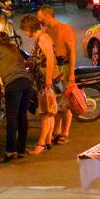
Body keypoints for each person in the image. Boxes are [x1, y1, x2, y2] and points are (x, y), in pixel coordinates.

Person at [0, 31, 34, 160]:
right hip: (26, 81)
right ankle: (21, 150)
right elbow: (26, 61)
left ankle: (10, 150)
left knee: (12, 116)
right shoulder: (14, 47)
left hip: (13, 83)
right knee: (22, 115)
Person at [36, 5, 77, 145]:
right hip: (54, 70)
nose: (39, 21)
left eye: (41, 18)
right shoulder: (47, 30)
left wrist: (71, 74)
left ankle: (65, 132)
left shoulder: (65, 29)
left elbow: (72, 53)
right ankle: (57, 131)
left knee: (65, 102)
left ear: (48, 16)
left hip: (64, 68)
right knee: (55, 101)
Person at [21, 14, 58, 154]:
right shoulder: (40, 38)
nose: (24, 33)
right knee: (49, 111)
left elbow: (50, 58)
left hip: (44, 80)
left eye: (24, 30)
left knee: (45, 112)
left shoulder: (43, 38)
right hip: (42, 79)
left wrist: (48, 79)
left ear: (29, 28)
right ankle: (48, 141)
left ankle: (41, 144)